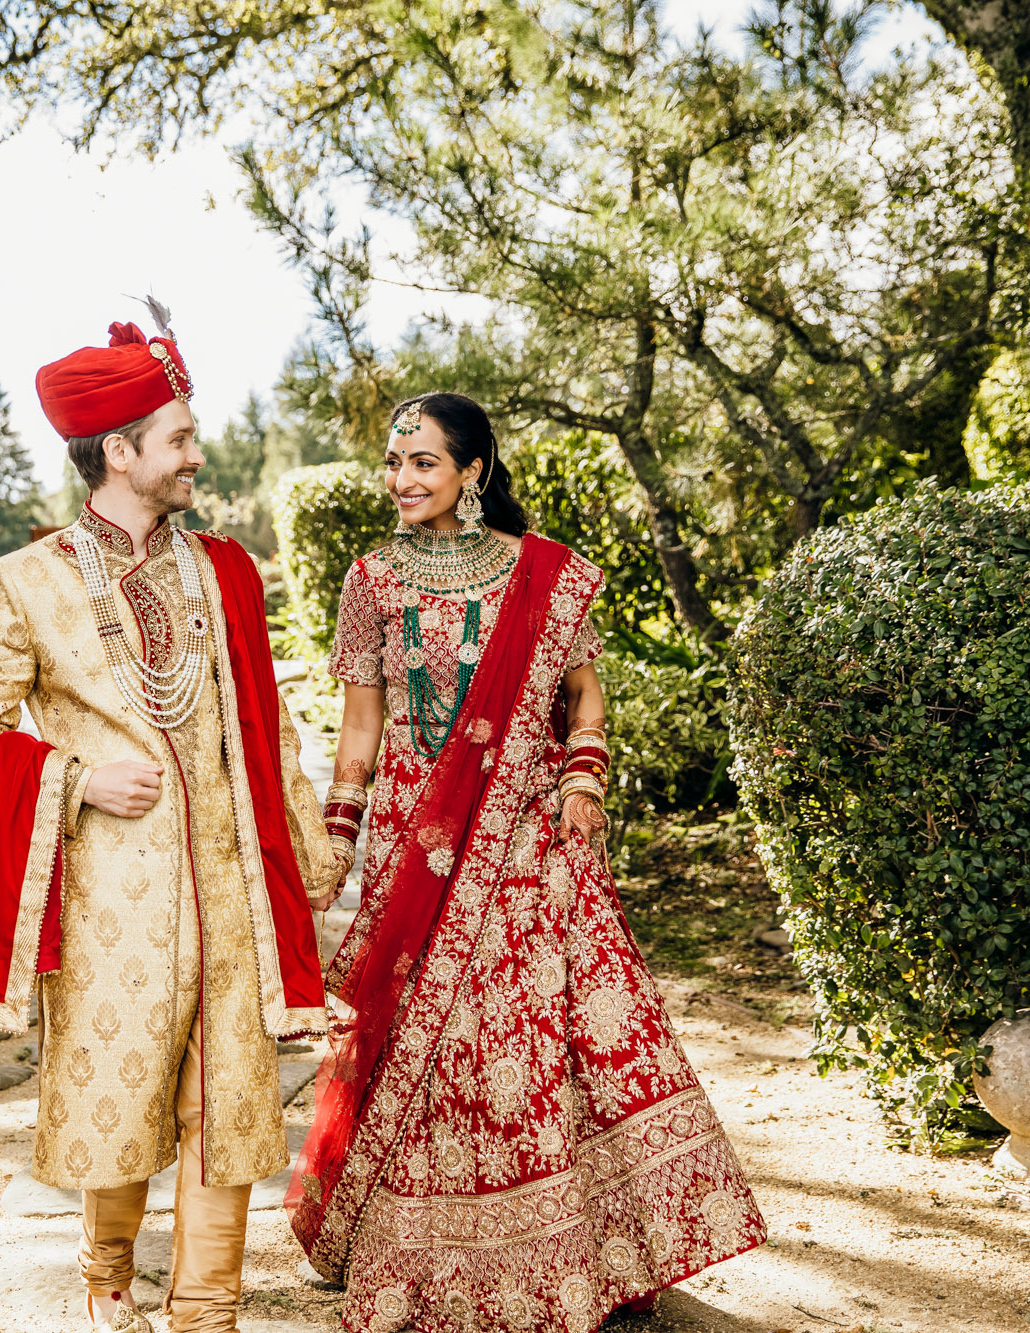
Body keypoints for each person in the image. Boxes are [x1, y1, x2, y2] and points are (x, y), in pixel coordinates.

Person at [286, 392, 765, 1332]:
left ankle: (595, 1253)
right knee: (430, 1046)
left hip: (530, 838)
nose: (402, 479)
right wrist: (339, 839)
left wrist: (583, 779)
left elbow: (585, 702)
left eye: (423, 461)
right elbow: (359, 734)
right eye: (394, 461)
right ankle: (417, 1252)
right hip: (419, 846)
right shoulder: (372, 578)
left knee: (559, 1034)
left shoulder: (541, 575)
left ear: (474, 472)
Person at [0, 311, 343, 1333]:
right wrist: (74, 778)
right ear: (117, 450)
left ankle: (205, 1314)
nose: (194, 455)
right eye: (176, 438)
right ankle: (107, 1286)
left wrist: (313, 853)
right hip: (108, 903)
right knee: (117, 1105)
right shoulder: (26, 584)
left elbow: (265, 722)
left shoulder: (222, 570)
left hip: (228, 893)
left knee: (230, 1109)